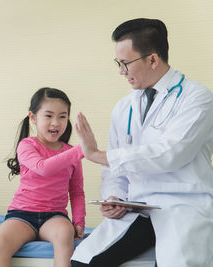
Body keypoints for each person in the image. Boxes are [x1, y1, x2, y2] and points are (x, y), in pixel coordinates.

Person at [71, 18, 213, 267]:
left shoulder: (197, 98)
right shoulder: (124, 107)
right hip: (136, 207)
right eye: (118, 63)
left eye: (125, 63)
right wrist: (114, 196)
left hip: (182, 205)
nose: (121, 72)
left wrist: (96, 154)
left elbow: (170, 153)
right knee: (83, 261)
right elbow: (114, 170)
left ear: (153, 59)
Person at [0, 87, 86, 267]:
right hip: (22, 215)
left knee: (65, 235)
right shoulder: (26, 146)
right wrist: (82, 149)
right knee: (1, 241)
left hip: (54, 217)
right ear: (33, 118)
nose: (56, 123)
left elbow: (77, 191)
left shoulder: (71, 153)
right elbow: (43, 168)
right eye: (48, 116)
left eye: (62, 116)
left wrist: (79, 221)